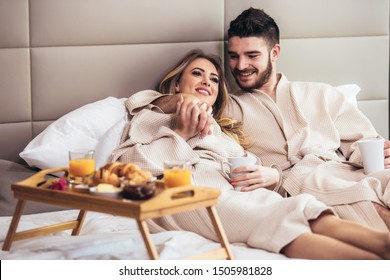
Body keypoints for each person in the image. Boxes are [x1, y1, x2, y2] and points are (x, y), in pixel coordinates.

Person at [123, 8, 390, 231]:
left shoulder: (323, 94)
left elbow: (363, 144)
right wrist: (184, 100)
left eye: (252, 55)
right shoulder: (225, 109)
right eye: (234, 56)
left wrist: (377, 154)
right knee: (366, 203)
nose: (240, 66)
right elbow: (147, 101)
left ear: (275, 53)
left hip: (348, 172)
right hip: (300, 185)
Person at [111, 49, 390, 259]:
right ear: (175, 85)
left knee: (302, 206)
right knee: (273, 220)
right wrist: (181, 132)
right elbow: (128, 167)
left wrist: (267, 175)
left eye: (214, 79)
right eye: (197, 73)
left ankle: (383, 245)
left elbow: (247, 163)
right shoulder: (153, 117)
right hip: (186, 194)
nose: (207, 82)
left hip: (234, 191)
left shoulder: (219, 131)